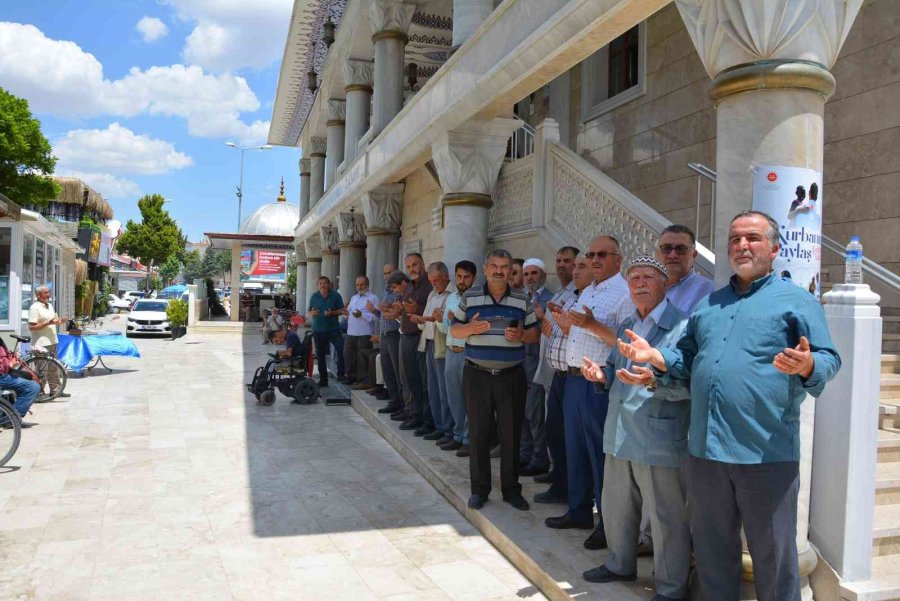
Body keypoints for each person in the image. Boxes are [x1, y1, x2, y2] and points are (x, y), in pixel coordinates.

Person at [618, 211, 841, 601]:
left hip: (765, 454)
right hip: (706, 452)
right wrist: (657, 359)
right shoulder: (710, 304)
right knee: (712, 553)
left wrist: (809, 364)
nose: (742, 245)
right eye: (735, 238)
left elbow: (828, 358)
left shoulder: (797, 301)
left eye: (752, 238)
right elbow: (687, 360)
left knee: (773, 557)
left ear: (774, 248)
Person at [579, 256, 691, 600]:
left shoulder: (683, 326)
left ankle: (671, 587)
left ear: (664, 284)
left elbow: (692, 382)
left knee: (665, 517)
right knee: (616, 506)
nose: (640, 283)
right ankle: (619, 563)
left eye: (647, 277)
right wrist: (602, 376)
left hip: (657, 435)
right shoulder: (628, 321)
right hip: (619, 431)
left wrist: (654, 379)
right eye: (634, 279)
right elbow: (615, 370)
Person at [545, 236, 634, 552]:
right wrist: (568, 324)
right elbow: (581, 332)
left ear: (618, 260)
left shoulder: (623, 294)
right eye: (591, 254)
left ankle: (607, 524)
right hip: (572, 379)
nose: (595, 260)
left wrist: (592, 324)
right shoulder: (589, 290)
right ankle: (579, 510)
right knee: (575, 449)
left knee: (598, 453)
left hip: (597, 382)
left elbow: (623, 343)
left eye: (601, 255)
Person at [450, 248, 539, 512]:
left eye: (505, 267)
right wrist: (470, 329)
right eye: (495, 266)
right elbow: (454, 328)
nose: (500, 271)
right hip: (477, 375)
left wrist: (522, 336)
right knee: (478, 433)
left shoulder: (523, 299)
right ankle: (479, 490)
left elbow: (534, 334)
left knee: (511, 434)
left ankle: (511, 490)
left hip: (512, 376)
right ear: (486, 269)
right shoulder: (471, 296)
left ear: (511, 270)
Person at [533, 251, 590, 505]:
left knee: (571, 439)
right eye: (572, 266)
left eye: (580, 266)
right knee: (554, 433)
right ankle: (561, 484)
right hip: (559, 375)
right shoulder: (569, 297)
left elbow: (583, 333)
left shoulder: (592, 300)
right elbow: (559, 331)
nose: (574, 270)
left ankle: (573, 493)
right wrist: (548, 325)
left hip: (577, 377)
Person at [438, 260, 477, 456]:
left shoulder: (478, 299)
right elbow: (446, 329)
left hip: (468, 352)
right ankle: (458, 434)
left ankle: (469, 439)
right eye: (459, 276)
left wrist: (460, 320)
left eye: (466, 277)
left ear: (474, 278)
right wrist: (443, 320)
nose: (462, 281)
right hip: (451, 351)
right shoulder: (451, 297)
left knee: (470, 397)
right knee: (453, 396)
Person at [519, 258, 554, 477]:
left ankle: (539, 458)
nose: (530, 277)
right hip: (520, 360)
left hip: (538, 362)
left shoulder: (550, 300)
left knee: (535, 412)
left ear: (542, 274)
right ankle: (525, 455)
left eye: (534, 273)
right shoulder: (523, 299)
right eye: (527, 274)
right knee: (523, 411)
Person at [411, 262, 452, 443]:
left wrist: (428, 319)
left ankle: (448, 429)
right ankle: (438, 425)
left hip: (441, 346)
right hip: (427, 343)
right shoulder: (432, 294)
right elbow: (427, 319)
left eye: (436, 280)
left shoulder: (451, 296)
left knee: (444, 390)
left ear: (446, 277)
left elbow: (442, 322)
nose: (434, 284)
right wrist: (420, 319)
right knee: (433, 388)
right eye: (431, 281)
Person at [395, 253, 433, 433]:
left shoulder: (429, 286)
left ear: (422, 264)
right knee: (412, 379)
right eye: (409, 267)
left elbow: (433, 312)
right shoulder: (409, 286)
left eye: (415, 265)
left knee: (424, 381)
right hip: (407, 336)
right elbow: (405, 308)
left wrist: (416, 309)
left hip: (421, 338)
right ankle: (415, 414)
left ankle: (427, 420)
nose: (412, 269)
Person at [656, 224, 714, 314]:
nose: (673, 255)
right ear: (658, 254)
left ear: (694, 255)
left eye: (680, 249)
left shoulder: (708, 292)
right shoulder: (647, 287)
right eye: (666, 248)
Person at [370, 264, 404, 416]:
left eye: (390, 273)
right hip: (384, 334)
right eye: (385, 274)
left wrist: (387, 307)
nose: (387, 277)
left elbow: (397, 311)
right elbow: (384, 314)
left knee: (397, 371)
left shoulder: (399, 291)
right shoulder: (385, 291)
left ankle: (401, 403)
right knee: (387, 369)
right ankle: (393, 399)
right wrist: (375, 311)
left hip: (395, 334)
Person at [28, 285, 69, 398]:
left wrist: (60, 321)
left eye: (48, 292)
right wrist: (48, 323)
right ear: (38, 295)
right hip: (41, 343)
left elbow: (52, 321)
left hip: (52, 340)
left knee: (54, 367)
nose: (48, 295)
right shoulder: (35, 308)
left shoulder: (49, 306)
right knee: (42, 369)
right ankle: (39, 392)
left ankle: (56, 390)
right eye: (45, 293)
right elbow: (32, 327)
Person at [307, 276, 346, 387]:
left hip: (333, 329)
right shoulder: (314, 296)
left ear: (329, 285)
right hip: (318, 331)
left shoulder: (336, 296)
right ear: (317, 285)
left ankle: (341, 374)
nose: (323, 285)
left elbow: (342, 310)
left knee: (341, 349)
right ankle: (323, 380)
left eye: (325, 283)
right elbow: (309, 311)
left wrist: (332, 313)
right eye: (321, 283)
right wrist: (312, 313)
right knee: (320, 355)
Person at [343, 275, 379, 388]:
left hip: (364, 332)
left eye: (362, 284)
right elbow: (348, 313)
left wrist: (362, 315)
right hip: (351, 332)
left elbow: (377, 316)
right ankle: (350, 377)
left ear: (367, 284)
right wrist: (345, 312)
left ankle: (362, 380)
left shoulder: (373, 298)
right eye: (357, 285)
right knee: (349, 355)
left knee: (362, 358)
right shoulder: (354, 298)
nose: (359, 287)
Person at [0, 340, 40, 428]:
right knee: (33, 387)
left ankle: (9, 417)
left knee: (28, 379)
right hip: (3, 377)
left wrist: (11, 360)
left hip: (6, 375)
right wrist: (11, 364)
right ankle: (10, 420)